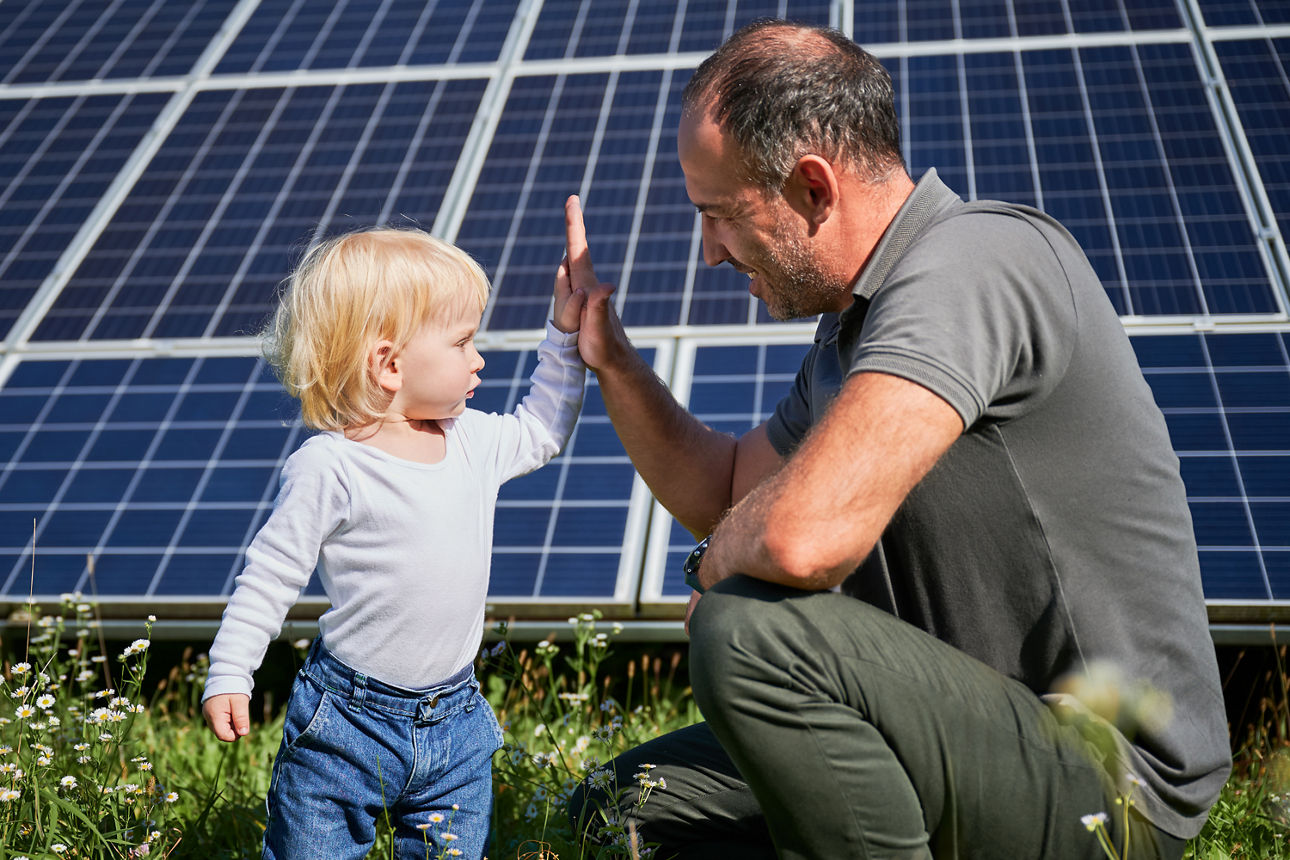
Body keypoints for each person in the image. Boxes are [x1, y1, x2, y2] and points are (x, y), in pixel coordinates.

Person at [565, 18, 1231, 860]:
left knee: (750, 634)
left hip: (1107, 774)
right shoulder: (853, 335)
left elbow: (799, 539)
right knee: (614, 808)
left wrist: (718, 564)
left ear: (813, 187)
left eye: (722, 215)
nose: (710, 254)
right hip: (954, 734)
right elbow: (734, 491)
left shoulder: (976, 260)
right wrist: (613, 361)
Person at [201, 208, 589, 860]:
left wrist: (565, 334)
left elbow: (543, 427)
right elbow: (268, 578)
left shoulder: (472, 443)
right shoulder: (330, 468)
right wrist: (229, 672)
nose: (479, 357)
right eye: (463, 341)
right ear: (389, 365)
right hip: (345, 722)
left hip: (457, 718)